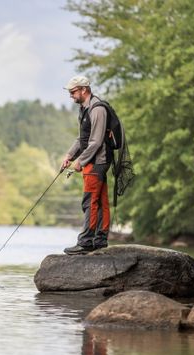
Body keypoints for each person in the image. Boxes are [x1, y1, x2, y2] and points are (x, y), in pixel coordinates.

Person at [61, 75, 111, 254]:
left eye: (73, 92)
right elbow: (82, 138)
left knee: (90, 201)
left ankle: (86, 242)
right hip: (93, 161)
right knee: (99, 200)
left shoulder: (97, 109)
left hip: (97, 162)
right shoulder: (83, 108)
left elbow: (96, 142)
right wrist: (70, 155)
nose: (71, 96)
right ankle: (100, 240)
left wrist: (80, 162)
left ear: (84, 89)